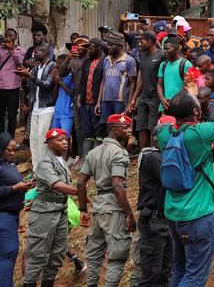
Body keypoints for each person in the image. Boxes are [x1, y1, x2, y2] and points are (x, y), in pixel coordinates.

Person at [156, 58, 214, 287]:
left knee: (180, 269)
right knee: (195, 276)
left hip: (174, 213)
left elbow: (178, 108)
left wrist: (188, 92)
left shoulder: (164, 133)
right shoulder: (201, 134)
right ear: (197, 111)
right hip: (197, 214)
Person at [78, 115, 135, 287]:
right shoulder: (119, 153)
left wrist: (83, 210)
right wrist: (129, 213)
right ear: (114, 130)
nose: (130, 131)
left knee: (94, 256)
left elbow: (81, 182)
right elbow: (117, 186)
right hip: (113, 209)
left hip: (97, 208)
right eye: (125, 128)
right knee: (117, 257)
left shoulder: (93, 152)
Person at [23, 128, 76, 287]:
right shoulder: (45, 162)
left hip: (60, 212)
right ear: (50, 144)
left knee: (57, 255)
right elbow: (56, 185)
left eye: (66, 139)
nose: (65, 142)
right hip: (44, 214)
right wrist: (79, 192)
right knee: (38, 256)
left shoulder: (61, 161)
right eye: (60, 140)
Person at [135, 133, 172, 287]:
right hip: (154, 220)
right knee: (152, 273)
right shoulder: (152, 157)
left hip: (167, 219)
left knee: (166, 272)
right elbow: (172, 179)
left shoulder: (168, 157)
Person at [0, 133, 35, 284]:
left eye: (14, 150)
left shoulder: (9, 163)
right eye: (9, 150)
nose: (12, 153)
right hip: (3, 215)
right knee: (9, 252)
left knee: (7, 253)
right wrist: (15, 188)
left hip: (12, 214)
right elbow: (7, 189)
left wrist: (25, 187)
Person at [15, 45, 56, 170]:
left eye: (36, 52)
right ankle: (36, 168)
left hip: (47, 108)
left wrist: (29, 76)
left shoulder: (52, 66)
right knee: (33, 140)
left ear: (45, 52)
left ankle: (43, 170)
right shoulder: (35, 68)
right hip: (36, 108)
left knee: (42, 140)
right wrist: (23, 79)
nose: (34, 55)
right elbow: (29, 88)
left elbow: (47, 85)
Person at [130, 31, 163, 149]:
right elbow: (141, 76)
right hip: (144, 96)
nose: (139, 44)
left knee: (152, 127)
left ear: (150, 42)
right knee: (141, 126)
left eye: (141, 41)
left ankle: (151, 153)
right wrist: (134, 98)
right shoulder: (142, 55)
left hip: (156, 97)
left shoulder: (161, 55)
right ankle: (142, 154)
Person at [96, 32, 137, 125]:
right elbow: (103, 80)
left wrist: (129, 104)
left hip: (121, 101)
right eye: (107, 44)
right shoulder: (106, 60)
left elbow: (132, 84)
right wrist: (99, 102)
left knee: (120, 126)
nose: (108, 47)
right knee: (107, 127)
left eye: (111, 45)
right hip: (106, 100)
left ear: (120, 45)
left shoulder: (129, 61)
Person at [77, 38, 106, 157]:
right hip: (85, 101)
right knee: (87, 130)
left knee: (98, 130)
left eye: (91, 48)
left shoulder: (105, 61)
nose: (88, 50)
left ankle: (97, 157)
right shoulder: (87, 61)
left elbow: (104, 82)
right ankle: (86, 158)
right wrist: (79, 96)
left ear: (99, 48)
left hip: (97, 102)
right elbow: (83, 80)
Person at [0, 29, 25, 137]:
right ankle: (1, 141)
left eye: (10, 36)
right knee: (0, 116)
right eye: (6, 35)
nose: (8, 38)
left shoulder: (20, 50)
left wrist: (12, 50)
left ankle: (10, 140)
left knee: (12, 115)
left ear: (15, 38)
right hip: (0, 87)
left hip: (13, 88)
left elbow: (19, 63)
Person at [157, 37, 192, 113]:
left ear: (177, 49)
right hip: (165, 106)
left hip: (180, 106)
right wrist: (162, 99)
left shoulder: (186, 64)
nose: (165, 51)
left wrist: (175, 99)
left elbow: (189, 86)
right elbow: (159, 84)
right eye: (164, 49)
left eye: (168, 49)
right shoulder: (163, 65)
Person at [51, 55, 75, 142]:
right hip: (58, 111)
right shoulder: (60, 76)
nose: (57, 66)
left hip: (67, 113)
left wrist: (60, 81)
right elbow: (54, 96)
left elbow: (73, 93)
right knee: (55, 137)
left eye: (59, 64)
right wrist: (56, 81)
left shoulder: (72, 75)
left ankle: (66, 156)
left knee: (65, 138)